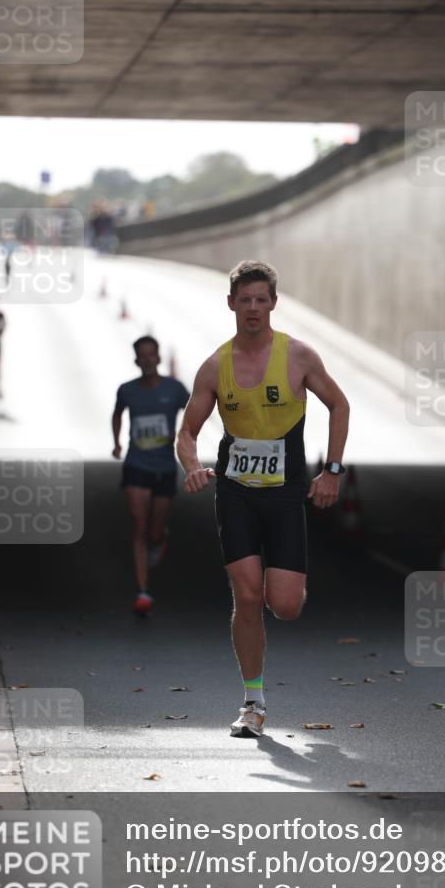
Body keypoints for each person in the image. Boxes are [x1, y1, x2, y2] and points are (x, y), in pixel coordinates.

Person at [176, 260, 350, 738]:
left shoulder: (298, 357)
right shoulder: (216, 365)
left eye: (261, 299)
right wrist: (192, 467)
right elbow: (187, 431)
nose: (253, 308)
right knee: (247, 595)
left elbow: (339, 404)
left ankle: (283, 593)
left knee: (286, 605)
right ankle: (252, 702)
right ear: (231, 304)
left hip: (286, 495)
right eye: (244, 299)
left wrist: (332, 471)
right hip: (235, 494)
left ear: (273, 303)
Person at [112, 336, 190, 616]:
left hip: (165, 467)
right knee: (139, 525)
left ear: (158, 357)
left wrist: (181, 435)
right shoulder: (127, 390)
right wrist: (117, 442)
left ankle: (160, 538)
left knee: (154, 530)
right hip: (136, 465)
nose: (146, 360)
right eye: (141, 355)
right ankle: (143, 591)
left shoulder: (175, 389)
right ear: (136, 360)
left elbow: (195, 411)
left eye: (151, 354)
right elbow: (117, 414)